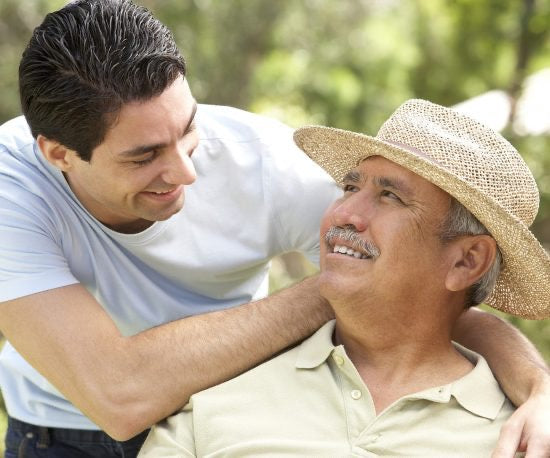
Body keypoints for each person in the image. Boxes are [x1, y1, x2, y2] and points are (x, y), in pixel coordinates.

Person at [0, 0, 547, 456]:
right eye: (145, 156)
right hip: (62, 435)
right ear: (58, 154)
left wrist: (540, 390)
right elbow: (119, 396)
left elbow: (432, 291)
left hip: (223, 409)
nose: (187, 171)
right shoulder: (11, 190)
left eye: (189, 129)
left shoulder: (263, 163)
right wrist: (351, 283)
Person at [139, 99, 550, 457]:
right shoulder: (215, 402)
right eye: (350, 187)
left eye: (390, 196)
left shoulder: (524, 437)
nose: (343, 214)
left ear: (467, 261)